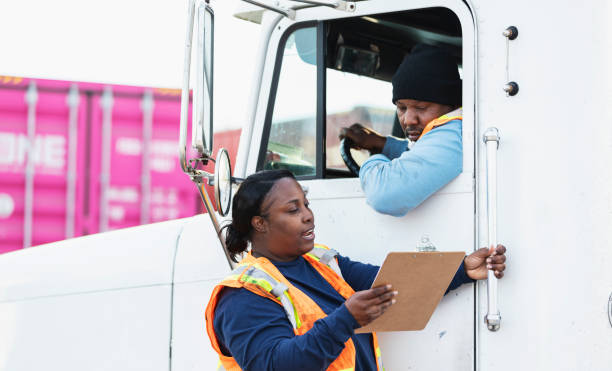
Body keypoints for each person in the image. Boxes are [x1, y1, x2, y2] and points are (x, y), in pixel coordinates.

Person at [205, 170, 507, 370]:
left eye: (306, 205)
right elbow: (274, 365)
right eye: (293, 210)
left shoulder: (322, 261)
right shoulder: (244, 294)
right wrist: (345, 320)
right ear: (260, 223)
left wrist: (462, 270)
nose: (308, 217)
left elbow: (391, 284)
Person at [340, 44, 463, 217]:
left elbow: (384, 196)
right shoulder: (450, 134)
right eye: (402, 108)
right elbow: (425, 153)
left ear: (452, 105)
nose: (408, 120)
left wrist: (374, 160)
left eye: (421, 107)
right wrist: (383, 144)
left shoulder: (454, 133)